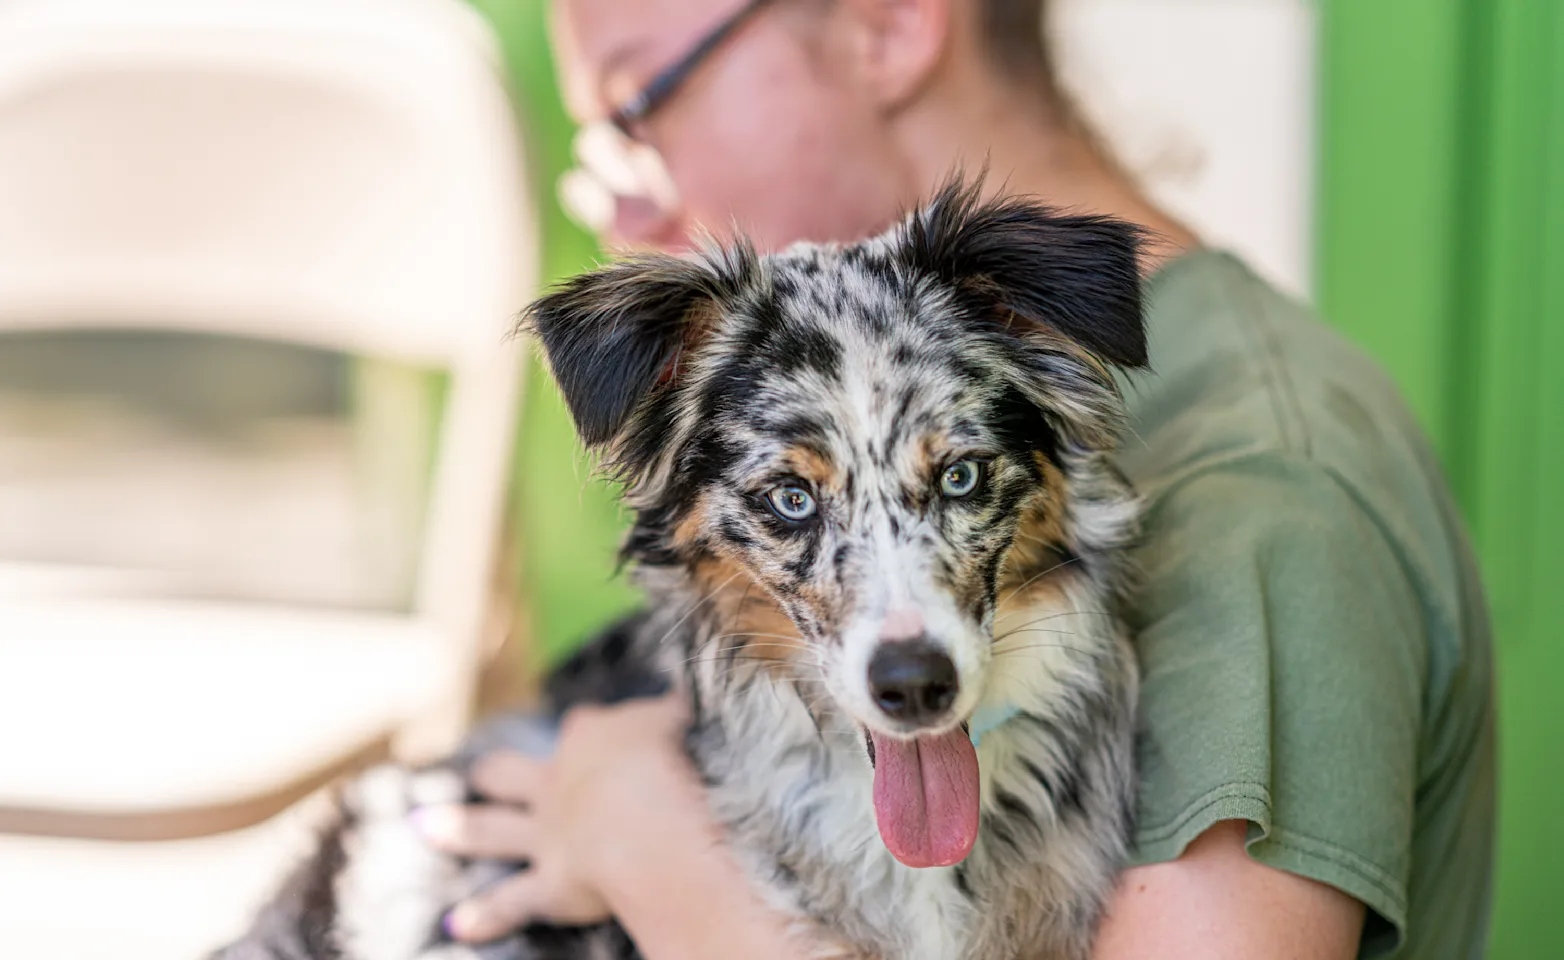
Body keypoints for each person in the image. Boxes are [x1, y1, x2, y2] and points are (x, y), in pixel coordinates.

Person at [409, 1, 1496, 957]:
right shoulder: (1143, 376)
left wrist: (650, 853)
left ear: (887, 25)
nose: (617, 205)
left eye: (636, 106)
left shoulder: (1259, 496)